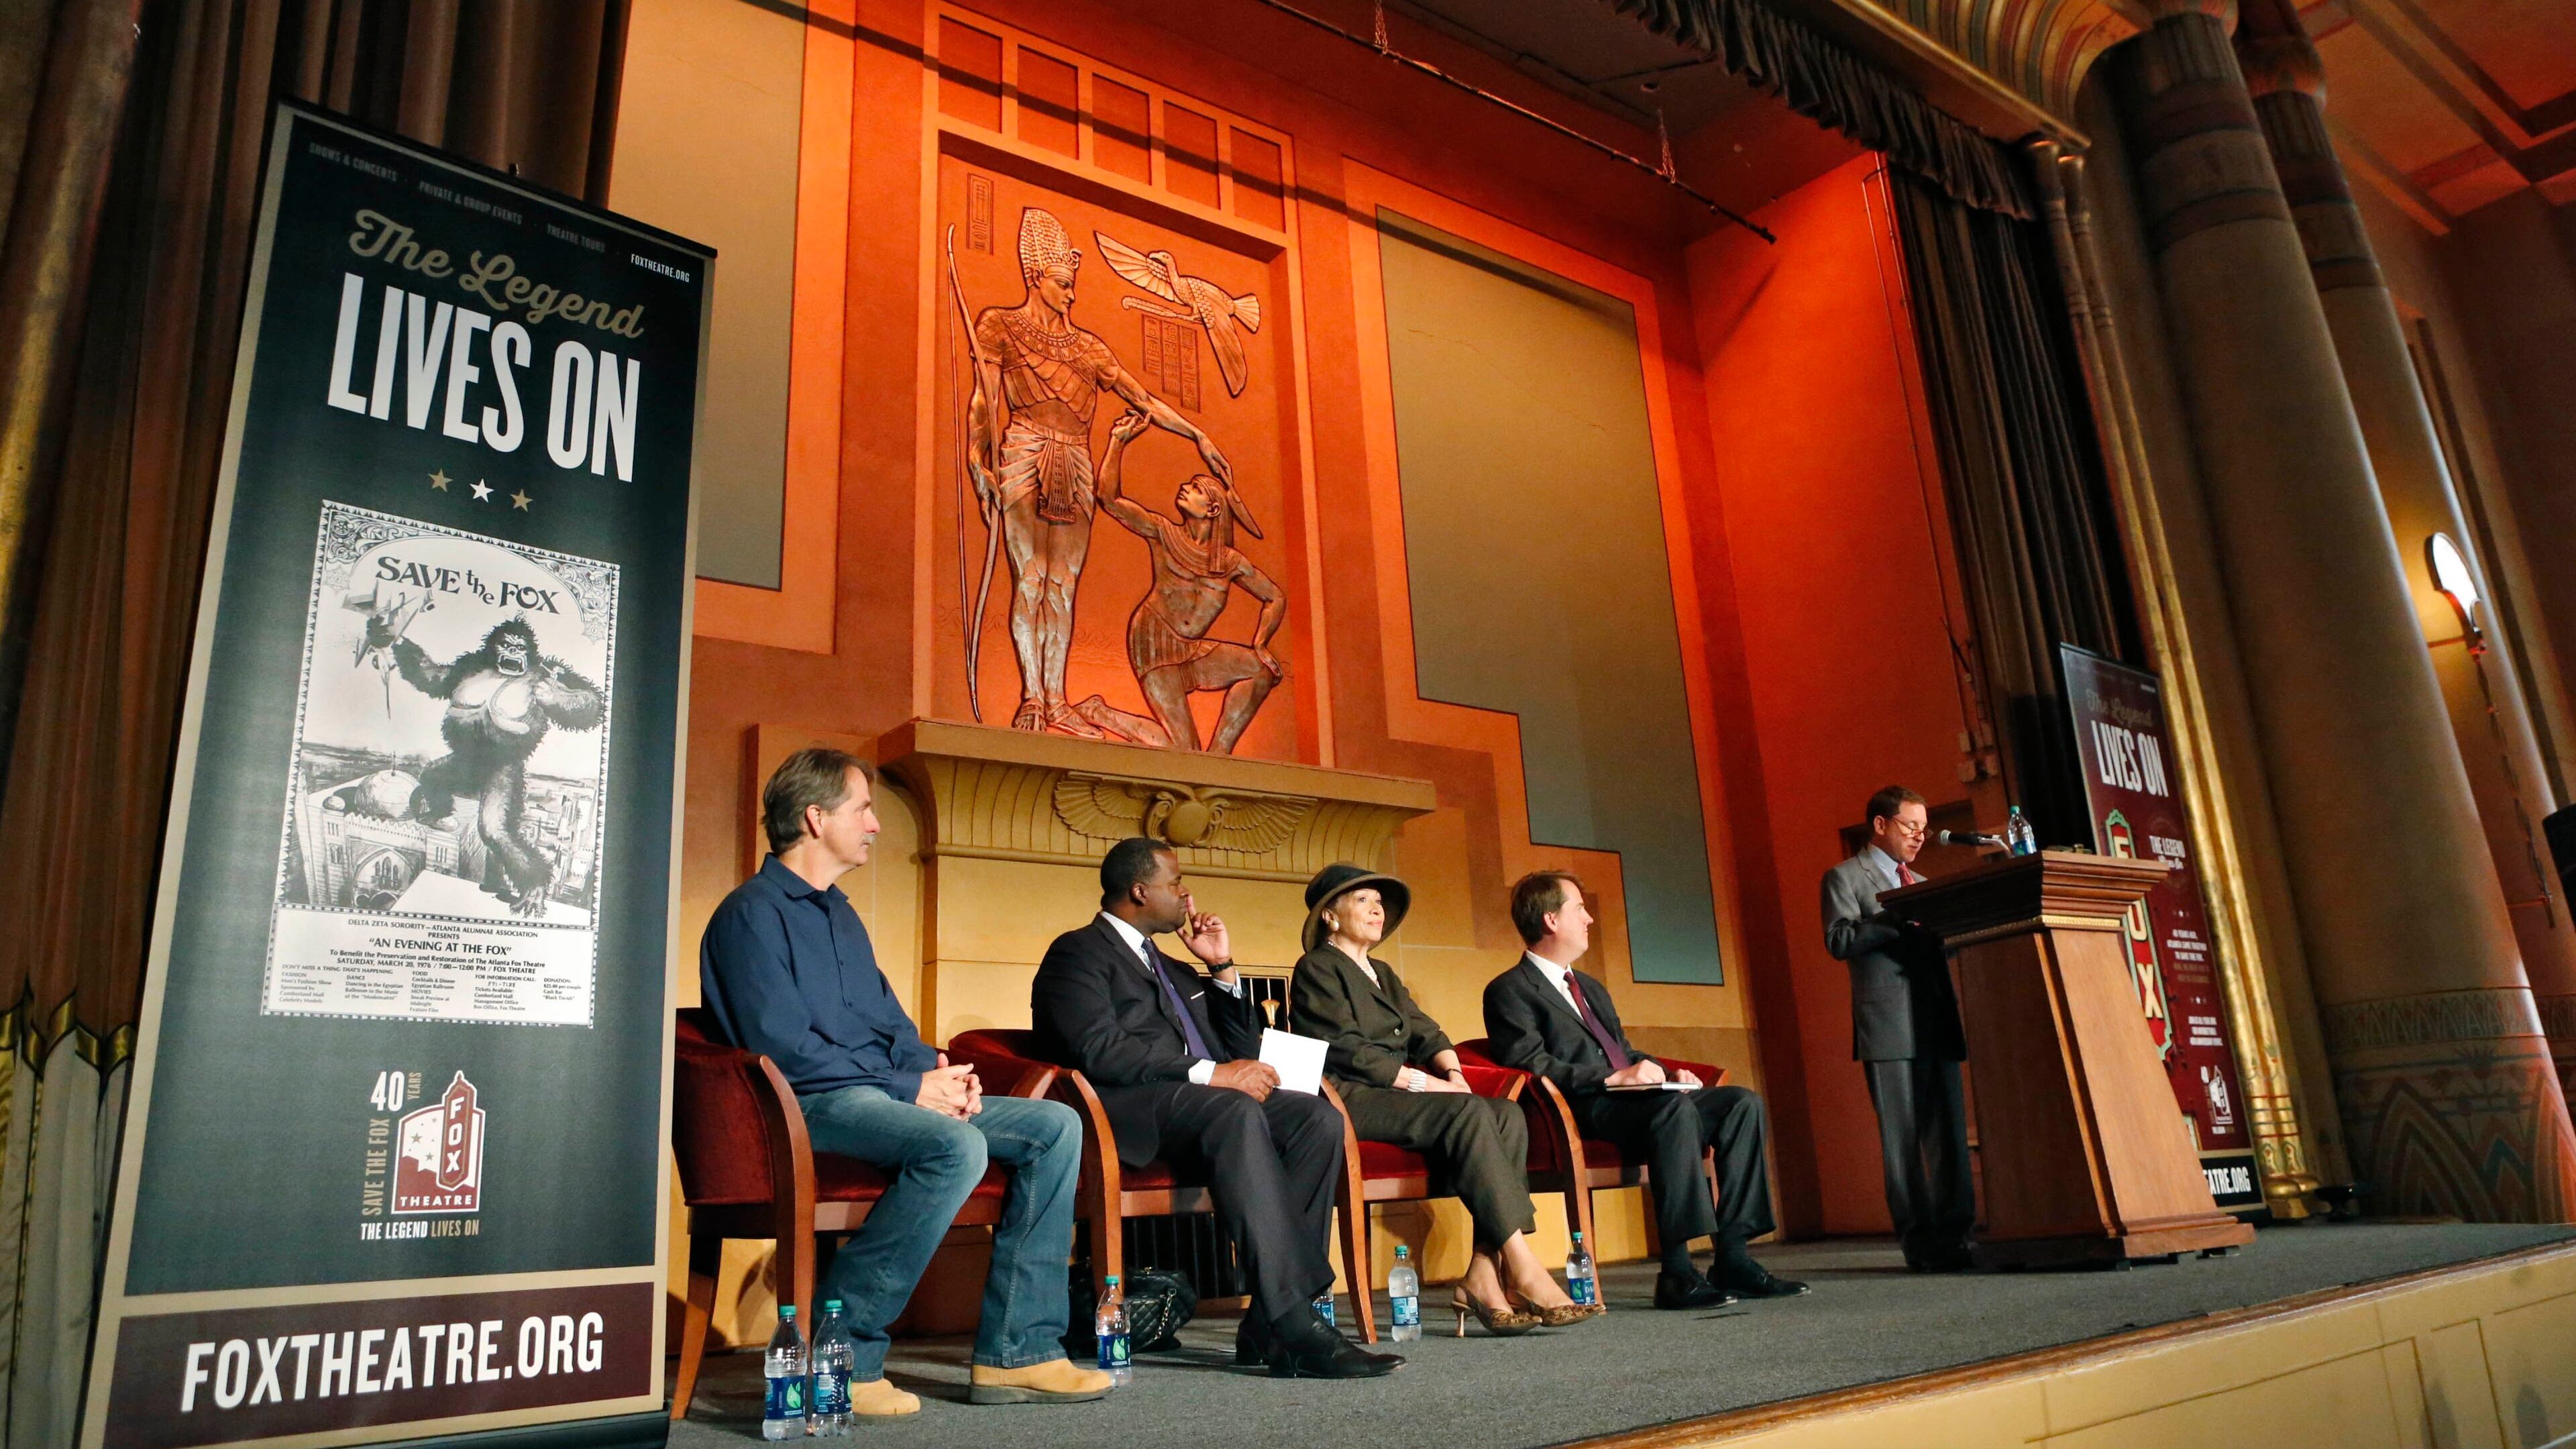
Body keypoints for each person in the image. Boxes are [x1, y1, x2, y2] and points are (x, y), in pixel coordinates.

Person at [701, 748, 1112, 1414]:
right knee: (955, 1147)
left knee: (1056, 1126)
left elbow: (887, 1022)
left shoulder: (840, 914)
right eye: (863, 808)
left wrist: (940, 1074)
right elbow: (784, 1049)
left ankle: (1020, 1352)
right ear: (814, 817)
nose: (875, 824)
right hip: (807, 1104)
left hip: (874, 1093)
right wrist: (907, 1091)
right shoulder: (750, 915)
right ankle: (841, 1355)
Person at [1032, 839, 1402, 1379]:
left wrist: (1223, 970)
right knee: (1235, 1109)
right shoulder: (1078, 952)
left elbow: (1244, 1047)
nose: (1186, 896)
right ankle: (1295, 1323)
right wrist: (1212, 1074)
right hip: (1131, 1112)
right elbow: (1098, 1050)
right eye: (1175, 883)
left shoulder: (1174, 968)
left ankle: (1265, 1322)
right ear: (1140, 890)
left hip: (1205, 1108)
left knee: (1314, 1118)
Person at [1287, 863, 1595, 1335]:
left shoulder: (1383, 972)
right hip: (1351, 1098)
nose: (1377, 909)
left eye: (1379, 901)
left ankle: (1483, 1274)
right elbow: (1346, 1050)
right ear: (1330, 916)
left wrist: (1452, 1071)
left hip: (1397, 1096)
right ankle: (1523, 1266)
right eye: (1363, 900)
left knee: (1508, 1114)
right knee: (1468, 1111)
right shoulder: (1317, 968)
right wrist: (1424, 1083)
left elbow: (1426, 1031)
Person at [1483, 871, 1807, 1309]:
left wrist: (1667, 1073)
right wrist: (1613, 1080)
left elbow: (1623, 1051)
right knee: (1674, 1111)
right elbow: (1531, 1065)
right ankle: (1676, 1272)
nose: (1591, 919)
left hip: (1637, 1101)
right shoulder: (1510, 990)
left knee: (1740, 1104)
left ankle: (1733, 1256)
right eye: (1580, 908)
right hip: (1584, 1110)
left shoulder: (1590, 987)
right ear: (1551, 919)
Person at [1823, 786, 1974, 1273]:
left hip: (1935, 1019)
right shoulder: (1845, 877)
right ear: (1881, 825)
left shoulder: (1927, 884)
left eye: (1924, 829)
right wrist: (1894, 920)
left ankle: (1957, 1238)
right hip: (1887, 1025)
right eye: (1910, 827)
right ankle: (1921, 1244)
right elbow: (1839, 938)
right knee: (1902, 1140)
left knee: (1948, 1135)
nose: (1919, 837)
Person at [1096, 408, 1285, 753]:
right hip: (1155, 639)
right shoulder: (1164, 533)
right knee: (1183, 750)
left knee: (1262, 670)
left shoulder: (1229, 562)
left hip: (1194, 650)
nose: (1184, 488)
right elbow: (1109, 499)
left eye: (1196, 488)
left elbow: (1275, 597)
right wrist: (1117, 442)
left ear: (1213, 509)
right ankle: (1099, 712)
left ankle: (1220, 757)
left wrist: (1261, 642)